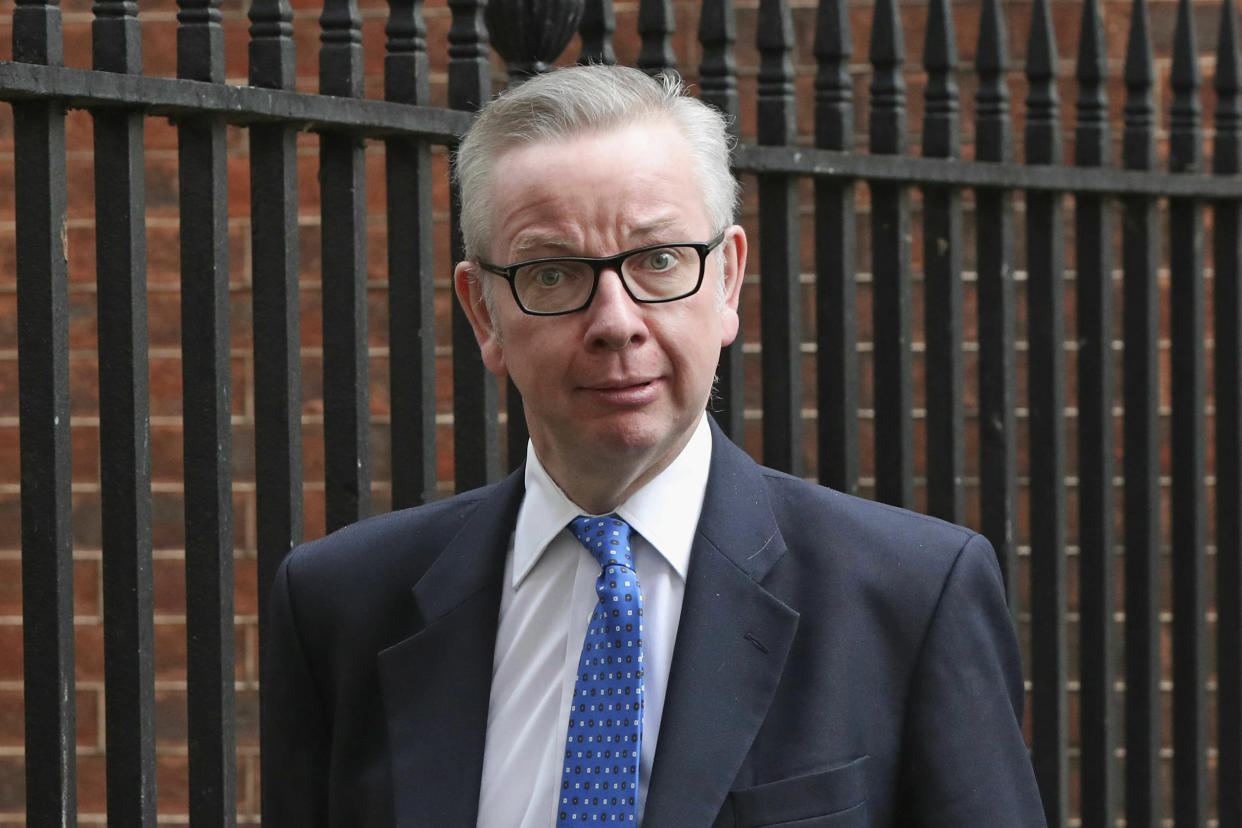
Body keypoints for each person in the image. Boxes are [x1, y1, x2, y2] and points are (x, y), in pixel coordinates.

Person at [261, 64, 1046, 827]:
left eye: (659, 261)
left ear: (727, 281)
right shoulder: (343, 605)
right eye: (554, 273)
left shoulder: (908, 598)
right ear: (484, 315)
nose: (616, 320)